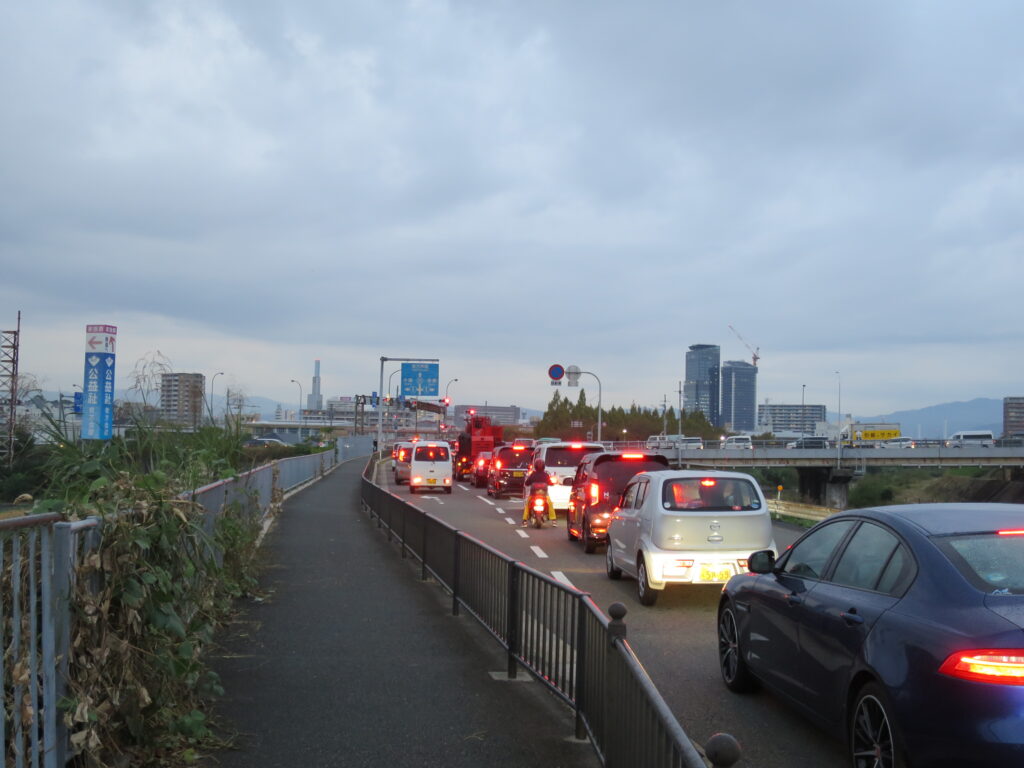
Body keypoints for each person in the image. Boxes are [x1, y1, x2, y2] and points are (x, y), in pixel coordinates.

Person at [522, 458, 557, 525]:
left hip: (533, 495)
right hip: (544, 494)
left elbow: (527, 483)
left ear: (535, 466)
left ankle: (524, 520)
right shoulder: (546, 475)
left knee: (527, 505)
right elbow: (550, 483)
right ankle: (554, 520)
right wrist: (552, 483)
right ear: (544, 466)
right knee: (550, 504)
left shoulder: (533, 474)